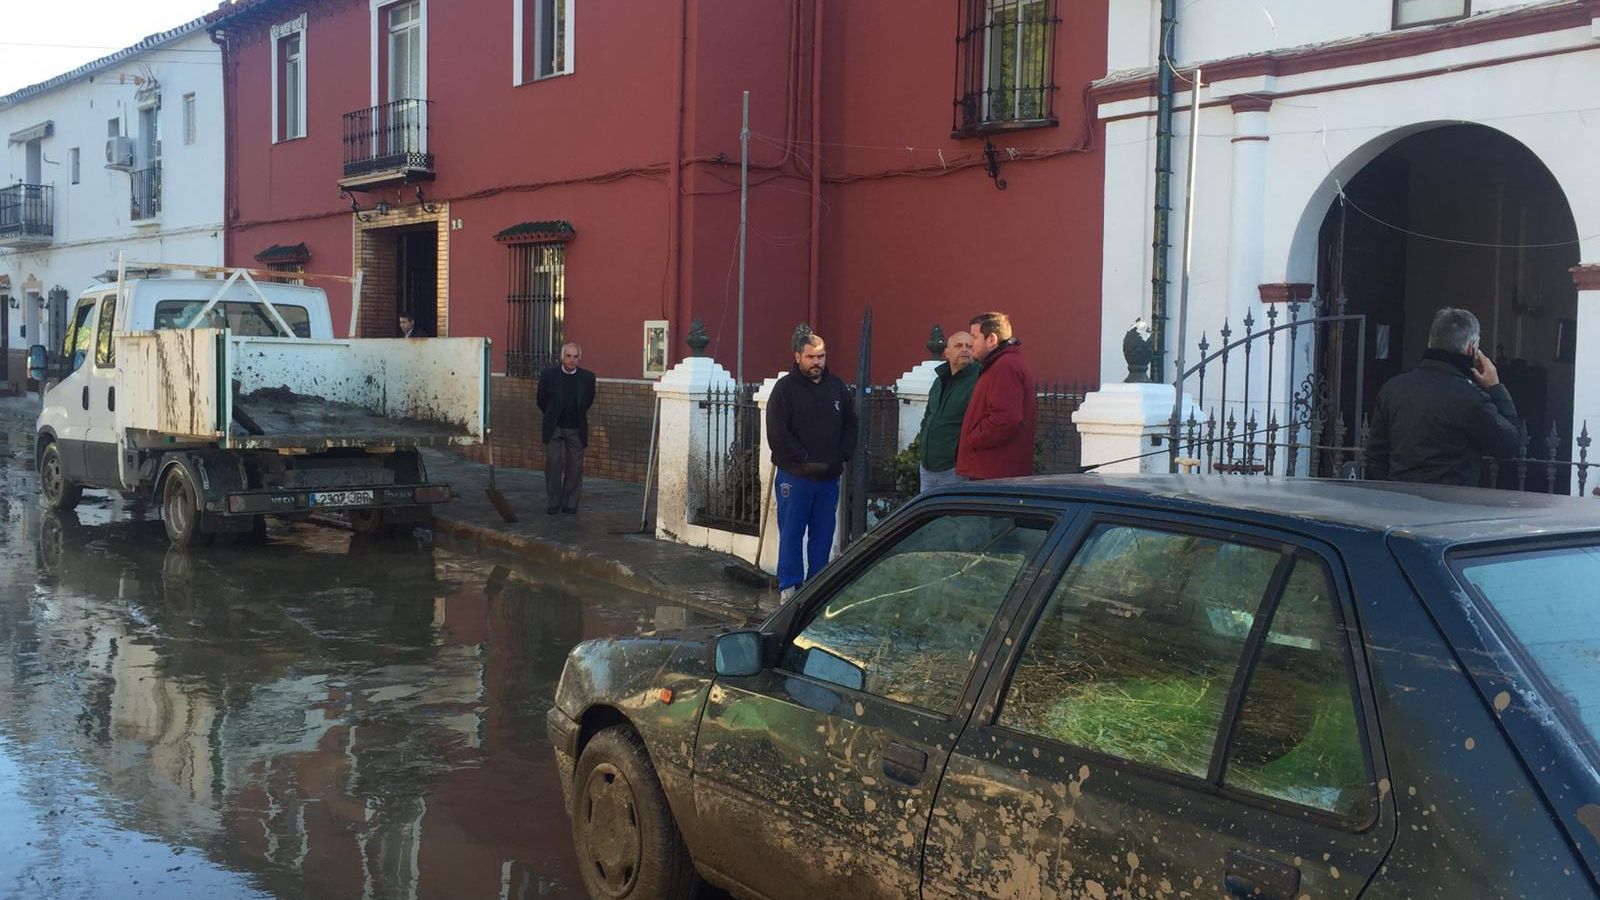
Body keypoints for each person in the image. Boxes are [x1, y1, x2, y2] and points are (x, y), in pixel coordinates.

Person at [1365, 307, 1523, 486]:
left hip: (1401, 502)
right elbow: (1510, 445)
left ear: (1430, 342)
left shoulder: (1393, 389)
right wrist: (1495, 387)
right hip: (1451, 505)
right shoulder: (1470, 399)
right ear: (1473, 348)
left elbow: (1376, 456)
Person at [766, 330, 857, 600]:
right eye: (811, 357)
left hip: (828, 478)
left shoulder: (837, 388)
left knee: (823, 535)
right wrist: (802, 458)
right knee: (792, 533)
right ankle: (790, 586)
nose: (816, 362)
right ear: (798, 357)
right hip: (795, 477)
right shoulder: (784, 391)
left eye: (821, 356)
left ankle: (817, 585)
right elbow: (777, 431)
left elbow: (850, 424)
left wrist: (842, 454)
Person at [957, 311, 1037, 480]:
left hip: (994, 473)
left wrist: (972, 439)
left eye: (974, 337)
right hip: (993, 470)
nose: (970, 344)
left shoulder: (1004, 366)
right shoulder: (998, 364)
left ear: (991, 339)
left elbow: (1005, 419)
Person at [537, 343, 597, 514]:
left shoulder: (588, 378)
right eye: (568, 356)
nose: (572, 360)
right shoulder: (548, 375)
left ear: (580, 358)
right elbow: (541, 399)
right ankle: (553, 502)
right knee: (553, 464)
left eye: (575, 357)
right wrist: (551, 414)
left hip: (576, 427)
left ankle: (570, 503)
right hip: (554, 427)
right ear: (562, 357)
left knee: (575, 467)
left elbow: (588, 401)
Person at [917, 329, 979, 491]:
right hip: (927, 469)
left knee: (953, 517)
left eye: (969, 346)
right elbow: (928, 416)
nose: (965, 349)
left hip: (955, 470)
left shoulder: (978, 381)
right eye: (958, 345)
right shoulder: (939, 382)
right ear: (947, 353)